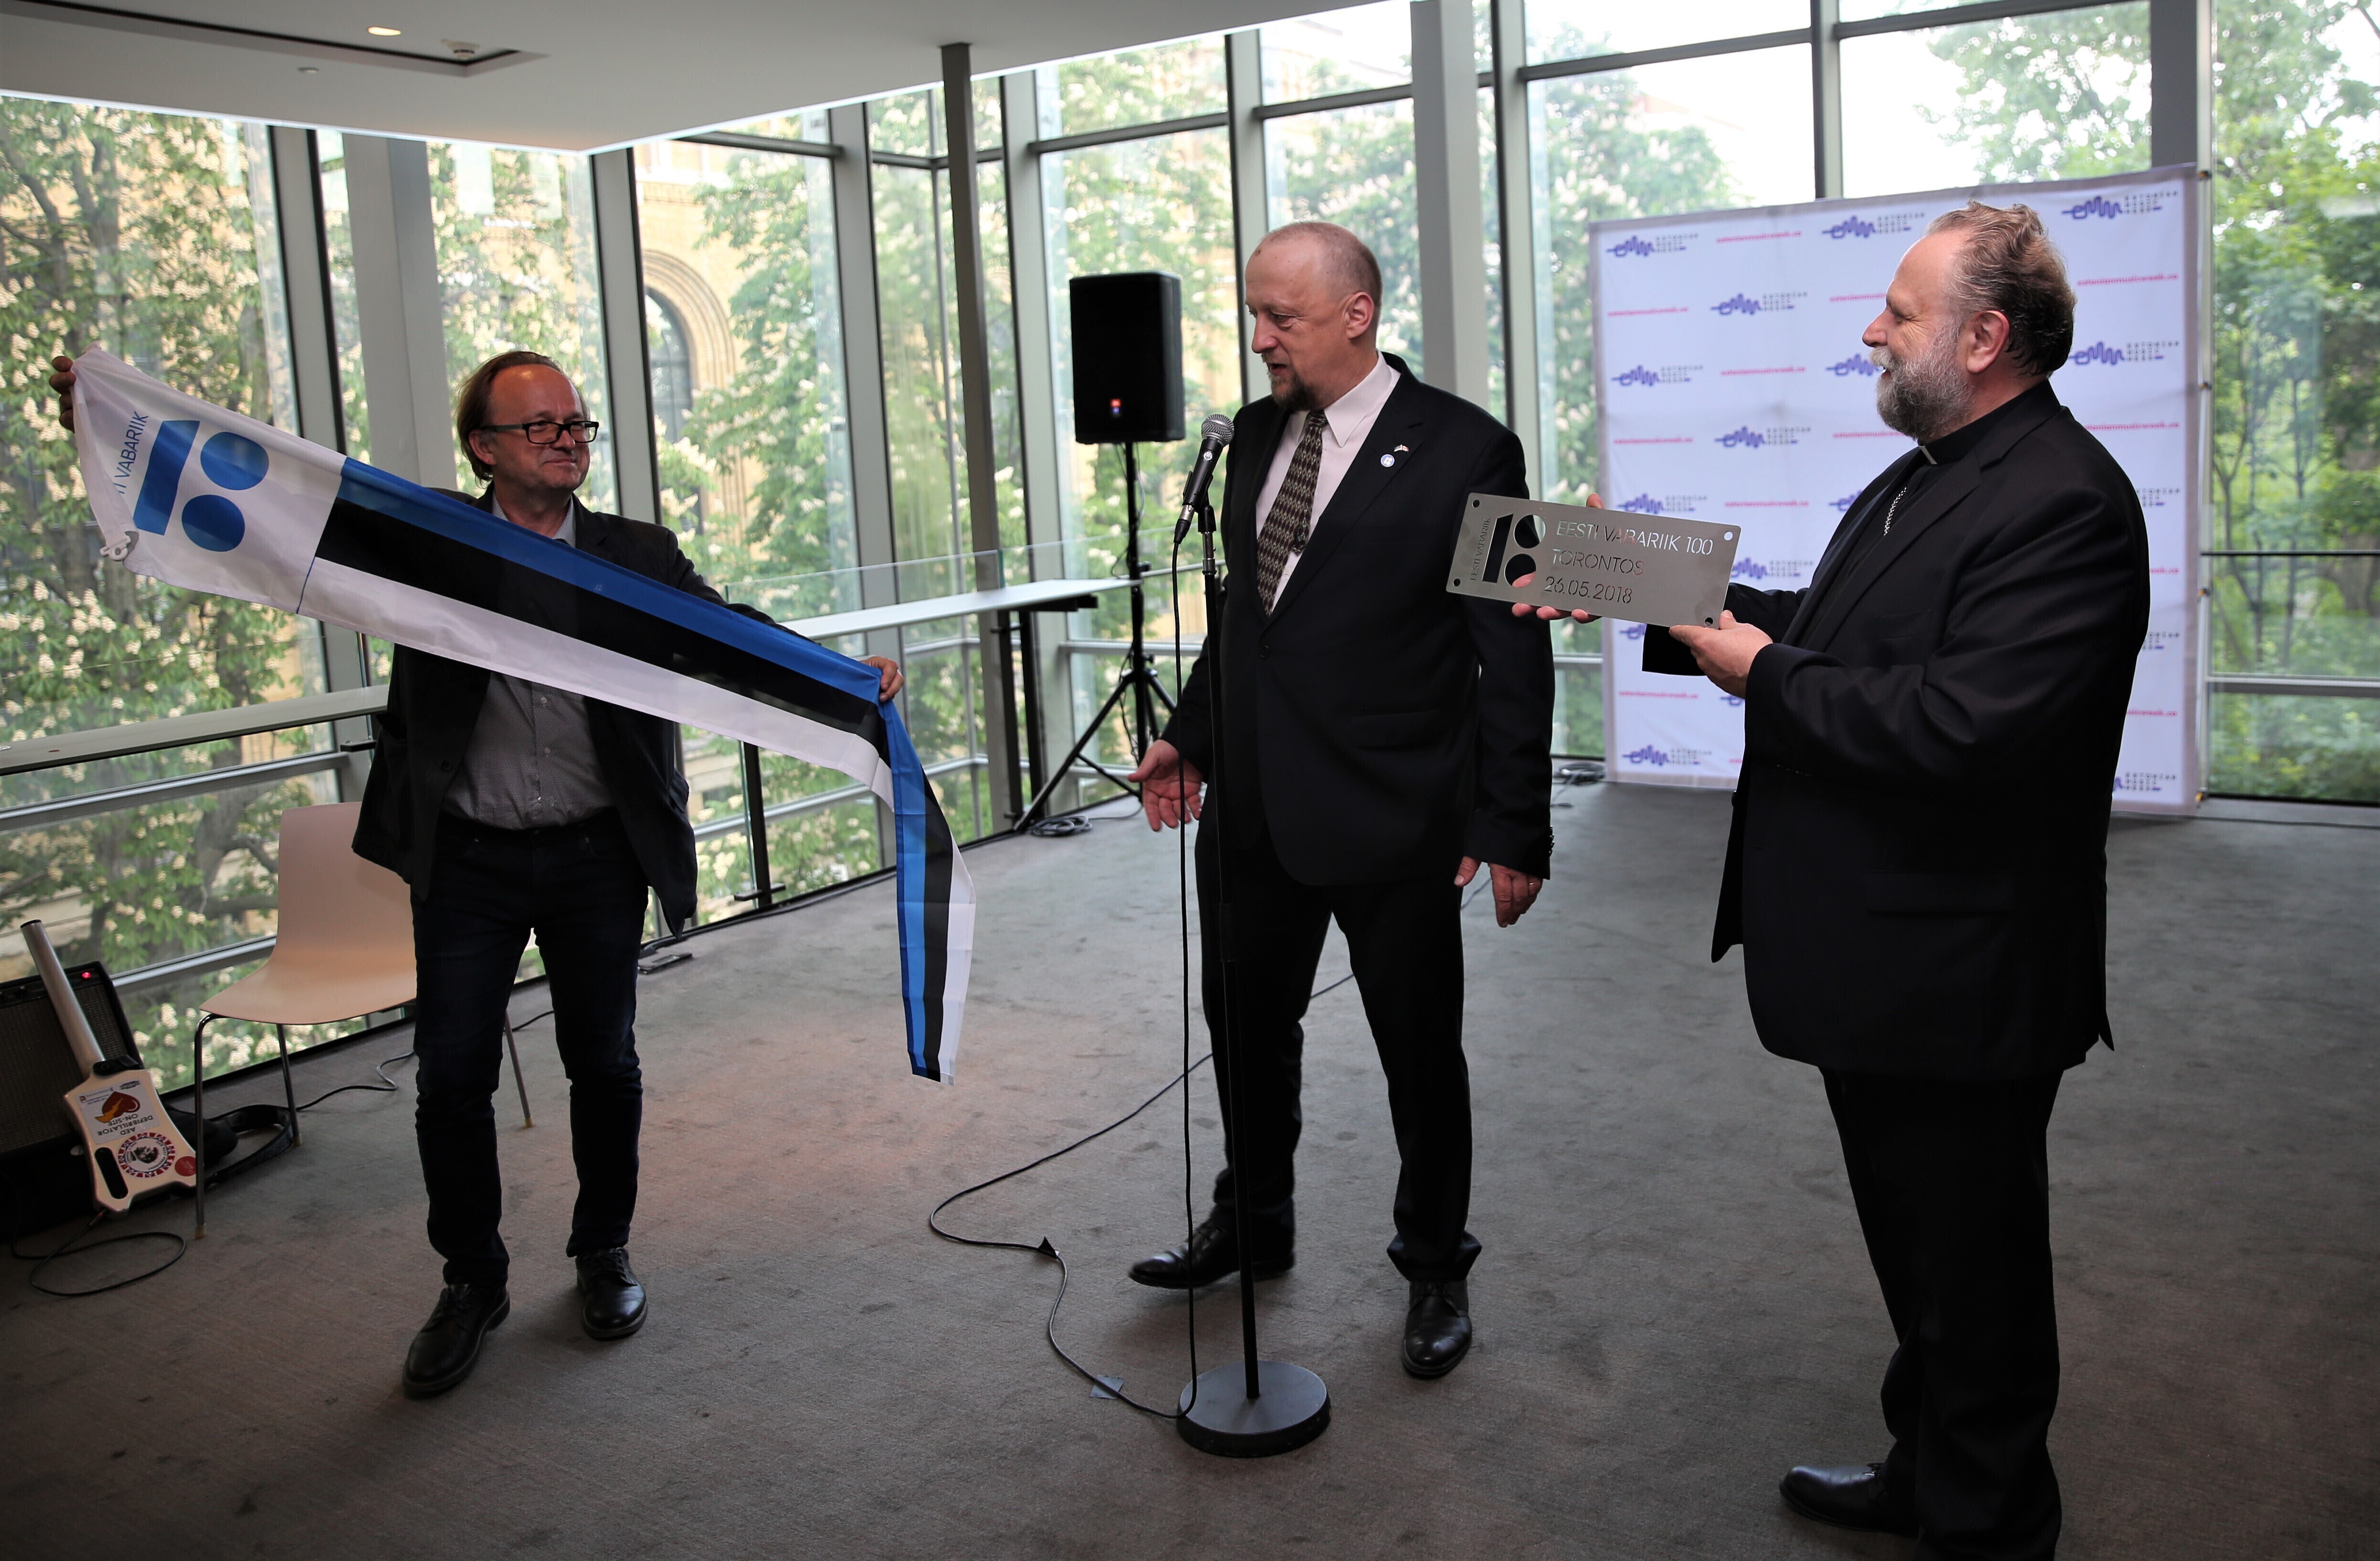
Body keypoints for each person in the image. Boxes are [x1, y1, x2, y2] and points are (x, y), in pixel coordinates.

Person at [50, 350, 903, 1399]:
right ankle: (472, 1279)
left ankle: (603, 1249)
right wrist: (113, 413)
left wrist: (844, 680)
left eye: (577, 423)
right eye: (540, 426)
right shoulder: (427, 541)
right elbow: (276, 502)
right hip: (468, 862)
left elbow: (727, 640)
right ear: (483, 449)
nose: (567, 440)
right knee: (452, 1081)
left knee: (605, 1063)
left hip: (597, 854)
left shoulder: (637, 553)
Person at [1528, 203, 2147, 1557]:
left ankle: (1989, 1524)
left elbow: (1959, 728)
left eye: (1901, 313)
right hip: (1890, 960)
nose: (1872, 330)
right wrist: (1645, 586)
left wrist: (1763, 673)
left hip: (1963, 974)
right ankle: (1925, 1470)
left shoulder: (2065, 501)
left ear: (1983, 339)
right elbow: (1844, 637)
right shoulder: (1929, 471)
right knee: (1921, 1254)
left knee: (1974, 1274)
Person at [1125, 222, 1554, 1380]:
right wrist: (1189, 735)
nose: (1261, 340)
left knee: (1419, 1051)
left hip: (1397, 812)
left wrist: (1513, 821)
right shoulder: (1256, 434)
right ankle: (1255, 1218)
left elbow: (1512, 649)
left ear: (1357, 314)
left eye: (1284, 318)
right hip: (1254, 808)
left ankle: (1435, 1265)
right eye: (1255, 316)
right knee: (1244, 1028)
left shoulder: (1470, 446)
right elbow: (1249, 619)